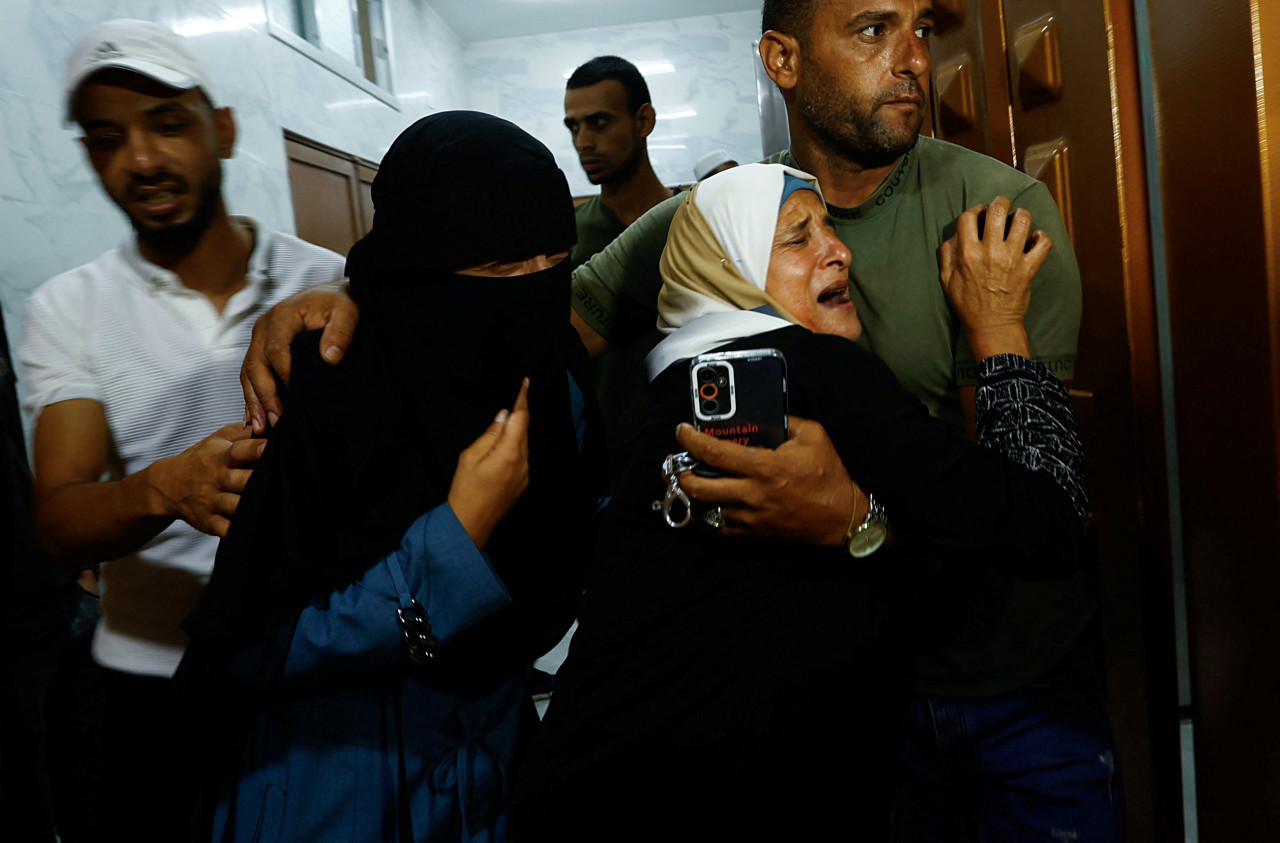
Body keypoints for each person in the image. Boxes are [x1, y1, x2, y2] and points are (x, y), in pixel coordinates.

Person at [238, 2, 1120, 837]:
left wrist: (851, 517)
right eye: (873, 28)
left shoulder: (993, 221)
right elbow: (506, 321)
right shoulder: (703, 221)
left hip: (1009, 681)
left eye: (922, 26)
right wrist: (355, 297)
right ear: (783, 58)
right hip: (831, 711)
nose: (915, 56)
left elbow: (1022, 516)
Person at [507, 162, 1087, 840]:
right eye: (796, 238)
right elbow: (1047, 525)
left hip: (590, 793)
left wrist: (859, 518)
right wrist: (998, 330)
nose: (838, 251)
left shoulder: (684, 387)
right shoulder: (813, 371)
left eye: (832, 228)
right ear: (732, 265)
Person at [177, 110, 600, 842]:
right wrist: (454, 543)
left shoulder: (556, 378)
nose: (534, 288)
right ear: (419, 269)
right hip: (330, 786)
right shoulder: (331, 384)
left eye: (552, 260)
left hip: (494, 771)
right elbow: (253, 643)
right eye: (502, 267)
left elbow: (566, 549)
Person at [17, 19, 345, 841]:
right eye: (107, 138)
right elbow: (59, 518)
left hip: (308, 665)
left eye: (167, 123)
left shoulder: (326, 279)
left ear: (223, 130)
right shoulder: (67, 308)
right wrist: (167, 485)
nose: (142, 160)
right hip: (149, 680)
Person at [563, 55, 677, 271]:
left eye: (599, 122)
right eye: (574, 127)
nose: (582, 143)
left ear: (644, 121)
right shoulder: (566, 234)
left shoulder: (693, 217)